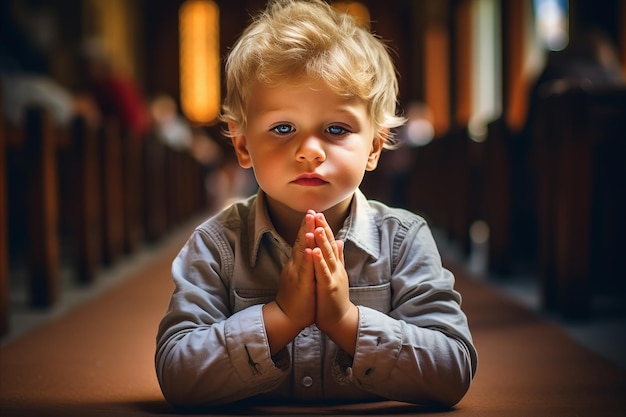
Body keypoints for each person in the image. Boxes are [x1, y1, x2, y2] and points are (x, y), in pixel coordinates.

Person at [155, 0, 477, 409]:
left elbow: (453, 370)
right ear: (242, 144)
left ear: (374, 147)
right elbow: (177, 373)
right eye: (283, 127)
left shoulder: (403, 241)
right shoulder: (217, 245)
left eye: (336, 129)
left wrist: (346, 322)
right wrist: (281, 318)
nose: (309, 151)